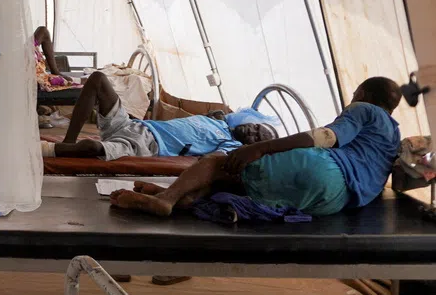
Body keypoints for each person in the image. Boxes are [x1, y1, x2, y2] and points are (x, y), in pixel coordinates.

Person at [111, 76, 402, 218]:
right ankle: (182, 197)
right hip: (335, 202)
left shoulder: (364, 109)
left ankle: (167, 198)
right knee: (236, 181)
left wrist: (260, 148)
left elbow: (326, 138)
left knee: (215, 162)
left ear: (362, 94)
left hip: (326, 170)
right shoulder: (393, 134)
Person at [43, 71, 276, 160]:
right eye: (256, 127)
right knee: (97, 79)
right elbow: (217, 114)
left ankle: (42, 151)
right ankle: (68, 142)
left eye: (257, 138)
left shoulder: (229, 144)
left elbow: (211, 160)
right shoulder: (219, 121)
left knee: (93, 149)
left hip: (146, 144)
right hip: (136, 125)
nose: (252, 131)